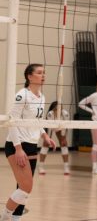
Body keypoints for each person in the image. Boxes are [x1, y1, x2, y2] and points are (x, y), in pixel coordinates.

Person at [1, 64, 56, 221]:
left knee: (23, 187)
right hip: (17, 144)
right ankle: (5, 217)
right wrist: (18, 149)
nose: (43, 75)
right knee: (26, 187)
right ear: (29, 77)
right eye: (39, 73)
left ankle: (16, 218)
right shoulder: (22, 95)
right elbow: (12, 122)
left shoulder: (42, 96)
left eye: (44, 73)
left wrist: (45, 136)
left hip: (32, 145)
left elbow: (37, 121)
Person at [38, 101, 71, 175]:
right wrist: (48, 139)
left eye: (60, 108)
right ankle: (41, 167)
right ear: (53, 109)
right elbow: (49, 129)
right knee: (46, 144)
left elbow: (65, 127)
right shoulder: (50, 114)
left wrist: (63, 138)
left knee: (64, 144)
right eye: (57, 109)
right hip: (51, 126)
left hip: (61, 127)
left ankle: (66, 167)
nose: (59, 110)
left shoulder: (65, 114)